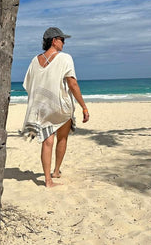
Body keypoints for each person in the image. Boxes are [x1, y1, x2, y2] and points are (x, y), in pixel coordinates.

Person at [21, 27, 89, 187]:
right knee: (62, 138)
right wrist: (84, 107)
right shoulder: (65, 58)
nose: (64, 43)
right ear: (54, 40)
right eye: (62, 40)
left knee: (47, 142)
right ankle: (56, 170)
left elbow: (28, 84)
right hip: (60, 106)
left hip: (42, 106)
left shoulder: (34, 60)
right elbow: (72, 83)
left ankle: (48, 180)